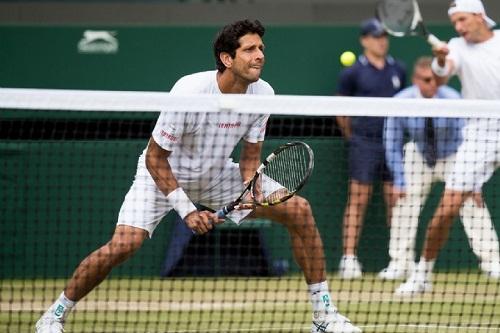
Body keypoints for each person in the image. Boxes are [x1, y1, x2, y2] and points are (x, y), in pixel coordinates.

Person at [35, 19, 362, 333]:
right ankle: (55, 315)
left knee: (300, 211)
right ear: (226, 58)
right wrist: (187, 210)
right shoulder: (189, 90)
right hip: (162, 176)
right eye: (249, 49)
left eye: (261, 47)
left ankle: (324, 316)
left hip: (218, 175)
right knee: (123, 245)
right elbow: (154, 158)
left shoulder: (264, 94)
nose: (260, 55)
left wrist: (252, 189)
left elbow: (250, 159)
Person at [396, 0, 500, 296]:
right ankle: (422, 274)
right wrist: (440, 59)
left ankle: (493, 261)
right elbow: (442, 72)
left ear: (480, 17)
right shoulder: (455, 45)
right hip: (479, 133)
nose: (458, 26)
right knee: (447, 208)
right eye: (455, 22)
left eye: (463, 20)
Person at [380, 56, 500, 282]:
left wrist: (472, 181)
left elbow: (468, 138)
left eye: (437, 80)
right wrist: (399, 180)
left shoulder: (453, 99)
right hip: (419, 154)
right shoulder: (401, 101)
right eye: (427, 80)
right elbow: (392, 142)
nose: (433, 85)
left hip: (454, 154)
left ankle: (492, 261)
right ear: (416, 80)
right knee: (404, 203)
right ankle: (399, 263)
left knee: (471, 202)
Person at [336, 18, 406, 279]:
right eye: (376, 37)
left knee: (395, 200)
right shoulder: (352, 72)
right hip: (363, 142)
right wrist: (353, 137)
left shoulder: (398, 69)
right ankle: (349, 259)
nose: (381, 41)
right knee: (359, 198)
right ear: (364, 40)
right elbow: (340, 110)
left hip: (393, 143)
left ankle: (397, 260)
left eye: (384, 36)